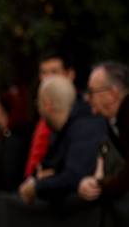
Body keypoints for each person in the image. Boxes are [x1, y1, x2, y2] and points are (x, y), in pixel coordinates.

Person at [18, 76, 107, 204]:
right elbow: (51, 170)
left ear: (47, 105)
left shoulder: (85, 128)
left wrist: (37, 187)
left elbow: (74, 176)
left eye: (38, 103)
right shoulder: (61, 132)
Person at [78, 61, 129, 201]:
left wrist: (99, 185)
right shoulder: (113, 122)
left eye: (92, 92)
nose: (88, 98)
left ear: (112, 94)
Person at [24, 50, 76, 178]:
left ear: (70, 74)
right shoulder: (41, 112)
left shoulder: (80, 115)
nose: (48, 78)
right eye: (44, 72)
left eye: (54, 72)